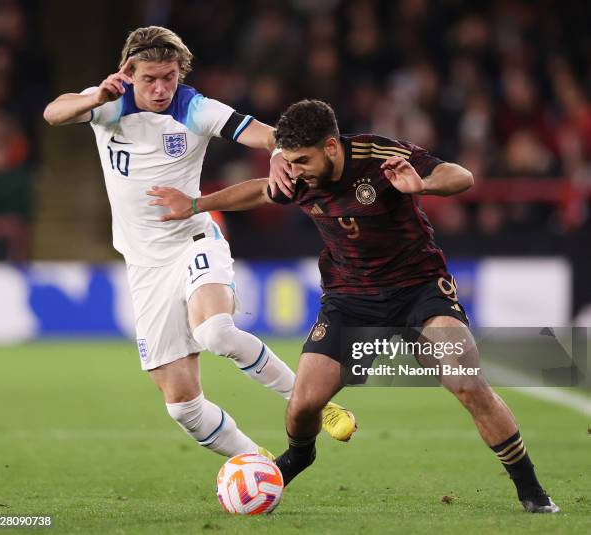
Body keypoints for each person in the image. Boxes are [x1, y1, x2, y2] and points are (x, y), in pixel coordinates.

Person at [147, 99, 560, 513]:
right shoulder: (296, 173)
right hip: (351, 300)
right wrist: (198, 204)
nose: (295, 170)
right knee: (304, 403)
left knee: (467, 381)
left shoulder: (380, 157)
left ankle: (531, 490)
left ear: (331, 146)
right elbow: (261, 191)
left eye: (302, 160)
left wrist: (423, 184)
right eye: (289, 161)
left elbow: (462, 176)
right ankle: (300, 455)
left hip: (419, 292)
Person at [43, 28, 356, 459]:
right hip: (145, 266)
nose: (160, 88)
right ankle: (259, 467)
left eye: (168, 77)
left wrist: (279, 151)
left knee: (216, 332)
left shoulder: (194, 108)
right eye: (150, 78)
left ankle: (315, 403)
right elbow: (53, 113)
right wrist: (93, 99)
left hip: (193, 240)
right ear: (128, 72)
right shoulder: (108, 103)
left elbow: (261, 133)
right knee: (183, 406)